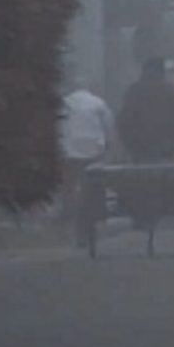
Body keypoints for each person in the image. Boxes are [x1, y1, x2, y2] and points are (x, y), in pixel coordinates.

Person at [59, 78, 115, 246]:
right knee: (96, 186)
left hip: (70, 152)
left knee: (71, 186)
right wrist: (108, 146)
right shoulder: (98, 103)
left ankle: (71, 214)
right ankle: (97, 215)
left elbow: (58, 125)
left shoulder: (64, 103)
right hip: (94, 152)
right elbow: (109, 127)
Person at [117, 58, 174, 163]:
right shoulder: (169, 90)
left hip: (138, 146)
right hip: (166, 147)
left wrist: (128, 142)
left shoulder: (133, 90)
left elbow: (124, 119)